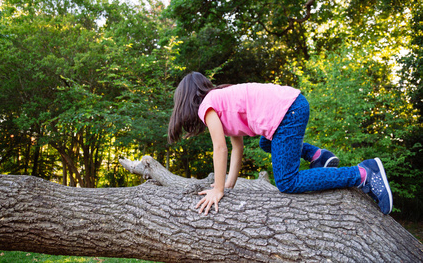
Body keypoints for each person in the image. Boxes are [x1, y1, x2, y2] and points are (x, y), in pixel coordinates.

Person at [168, 71, 393, 216]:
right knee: (267, 144)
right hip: (291, 106)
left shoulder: (207, 106)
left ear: (185, 101)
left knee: (287, 182)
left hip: (287, 112)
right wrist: (227, 186)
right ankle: (317, 156)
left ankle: (363, 174)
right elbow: (237, 147)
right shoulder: (220, 99)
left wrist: (217, 190)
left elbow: (220, 148)